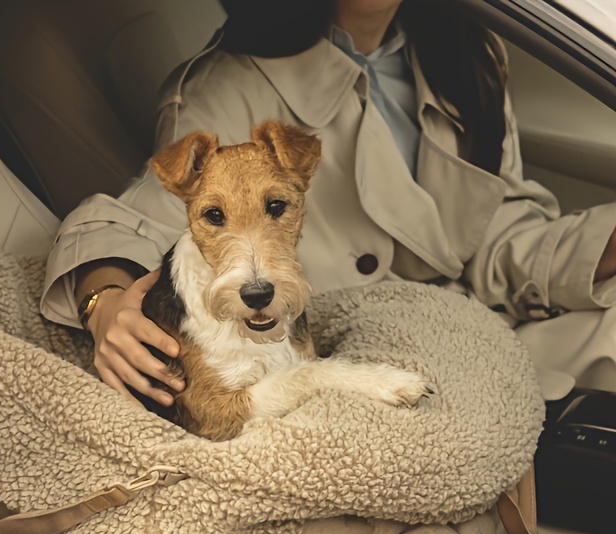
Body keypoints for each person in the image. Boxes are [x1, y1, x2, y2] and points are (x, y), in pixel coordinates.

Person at [39, 0, 616, 408]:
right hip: (344, 353)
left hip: (473, 320)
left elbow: (494, 232)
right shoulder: (227, 90)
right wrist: (105, 301)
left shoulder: (472, 57)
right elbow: (137, 223)